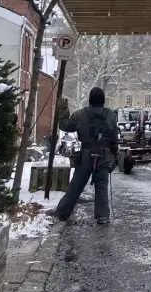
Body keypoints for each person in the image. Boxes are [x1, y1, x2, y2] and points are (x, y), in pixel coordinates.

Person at [49, 88, 120, 225]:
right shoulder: (111, 115)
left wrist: (63, 112)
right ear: (103, 100)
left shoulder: (81, 114)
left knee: (76, 185)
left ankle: (62, 212)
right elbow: (114, 137)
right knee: (102, 186)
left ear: (90, 100)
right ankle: (103, 216)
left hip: (86, 154)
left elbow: (65, 126)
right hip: (104, 154)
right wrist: (115, 155)